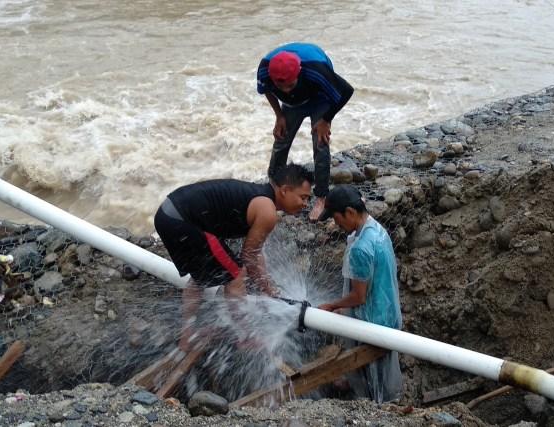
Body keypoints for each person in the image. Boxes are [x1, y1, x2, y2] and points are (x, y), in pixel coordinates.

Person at [154, 163, 313, 350]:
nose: (305, 204)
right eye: (303, 197)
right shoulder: (267, 211)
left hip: (167, 214)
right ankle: (246, 336)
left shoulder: (259, 197)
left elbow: (256, 251)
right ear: (285, 190)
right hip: (182, 220)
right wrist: (267, 289)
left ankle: (186, 336)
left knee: (201, 278)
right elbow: (248, 256)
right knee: (236, 275)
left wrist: (268, 288)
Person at [317, 185, 403, 403]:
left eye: (337, 219)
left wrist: (332, 306)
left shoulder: (360, 248)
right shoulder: (377, 231)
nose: (337, 225)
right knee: (380, 371)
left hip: (372, 323)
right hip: (388, 314)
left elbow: (359, 297)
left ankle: (377, 407)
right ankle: (382, 400)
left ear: (350, 212)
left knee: (374, 374)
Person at [257, 42, 354, 221]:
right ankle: (274, 190)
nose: (285, 89)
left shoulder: (316, 70)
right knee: (281, 139)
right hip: (293, 103)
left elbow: (346, 91)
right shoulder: (264, 70)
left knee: (320, 143)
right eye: (281, 86)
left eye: (290, 84)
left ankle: (321, 197)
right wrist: (279, 115)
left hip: (320, 98)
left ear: (298, 73)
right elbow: (267, 90)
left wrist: (326, 120)